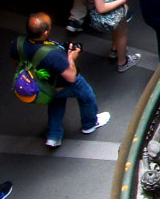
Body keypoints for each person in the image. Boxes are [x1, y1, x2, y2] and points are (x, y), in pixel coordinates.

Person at [10, 13, 109, 149]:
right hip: (62, 84)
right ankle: (90, 123)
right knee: (87, 96)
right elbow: (71, 76)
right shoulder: (53, 55)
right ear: (45, 33)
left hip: (43, 85)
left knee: (56, 102)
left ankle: (54, 135)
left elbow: (17, 63)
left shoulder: (17, 43)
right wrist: (71, 57)